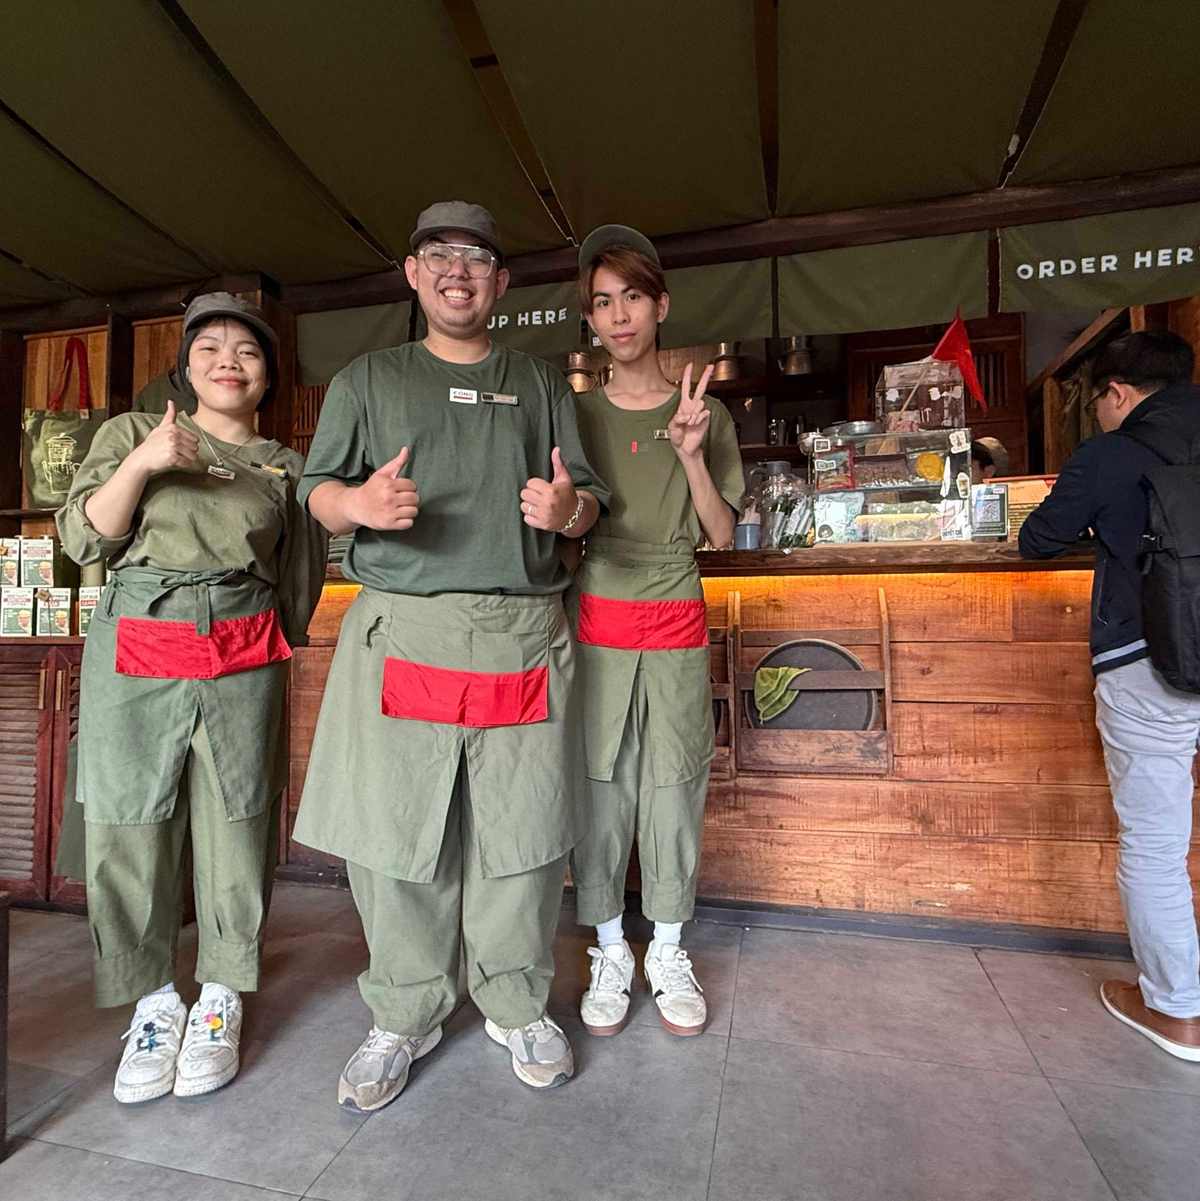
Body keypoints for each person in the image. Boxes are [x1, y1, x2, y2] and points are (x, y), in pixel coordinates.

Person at [293, 201, 610, 1110]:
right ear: (413, 272)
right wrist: (357, 506)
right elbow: (316, 488)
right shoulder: (367, 379)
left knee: (522, 832)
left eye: (476, 257)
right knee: (398, 834)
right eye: (439, 254)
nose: (457, 271)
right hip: (404, 628)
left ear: (501, 282)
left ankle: (517, 1002)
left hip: (520, 630)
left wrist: (569, 512)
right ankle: (404, 1011)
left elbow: (588, 498)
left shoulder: (539, 382)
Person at [57, 292, 328, 1103]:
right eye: (208, 347)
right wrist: (145, 461)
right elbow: (83, 536)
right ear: (185, 366)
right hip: (138, 638)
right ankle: (151, 1000)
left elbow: (299, 580)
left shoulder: (284, 467)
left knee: (238, 818)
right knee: (129, 821)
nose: (227, 361)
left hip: (244, 646)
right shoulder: (131, 434)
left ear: (267, 375)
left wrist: (268, 642)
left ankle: (219, 994)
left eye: (246, 351)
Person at [569, 226, 744, 1038]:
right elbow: (564, 522)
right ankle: (610, 947)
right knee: (598, 782)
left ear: (661, 306)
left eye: (632, 296)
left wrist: (692, 454)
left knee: (674, 779)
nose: (619, 315)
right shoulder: (574, 413)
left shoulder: (704, 412)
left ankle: (667, 947)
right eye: (603, 302)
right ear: (591, 318)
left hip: (675, 604)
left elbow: (721, 534)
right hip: (598, 607)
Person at [1019, 330, 1200, 1061]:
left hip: (1150, 661)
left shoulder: (1110, 455)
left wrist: (1100, 516)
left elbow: (1037, 539)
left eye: (1096, 400)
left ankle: (1178, 1008)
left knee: (1156, 846)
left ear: (1117, 392)